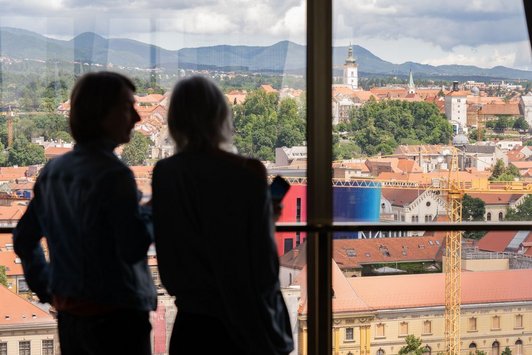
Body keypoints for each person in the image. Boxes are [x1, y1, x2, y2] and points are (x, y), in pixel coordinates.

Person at [13, 72, 156, 355]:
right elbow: (133, 247)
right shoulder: (114, 175)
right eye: (128, 107)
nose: (137, 118)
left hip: (72, 313)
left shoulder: (53, 172)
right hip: (118, 317)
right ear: (102, 114)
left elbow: (24, 238)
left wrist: (47, 287)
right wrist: (153, 210)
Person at [152, 76, 294, 355]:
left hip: (193, 324)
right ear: (221, 117)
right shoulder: (248, 172)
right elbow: (263, 268)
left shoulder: (165, 173)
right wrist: (266, 219)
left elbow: (169, 262)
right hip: (243, 326)